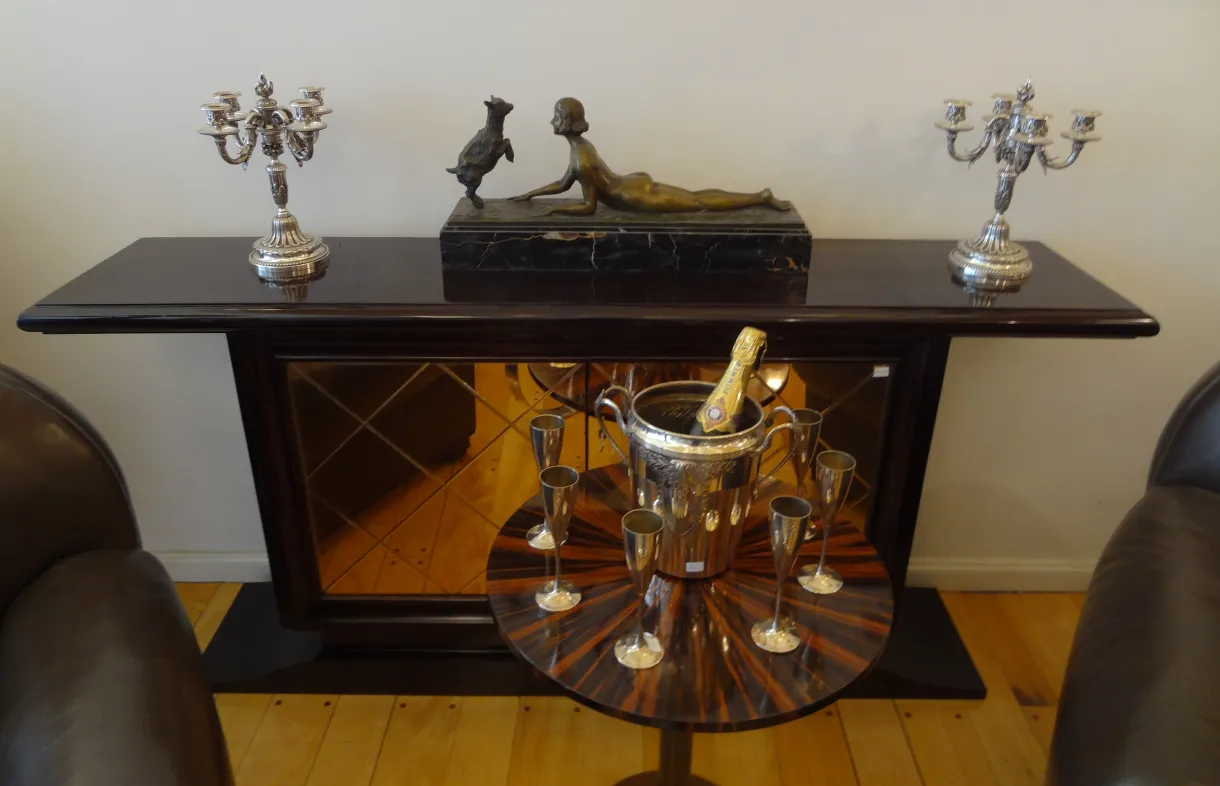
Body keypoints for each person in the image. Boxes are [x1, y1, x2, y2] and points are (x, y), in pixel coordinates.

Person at [510, 98, 792, 216]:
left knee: (697, 202)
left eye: (555, 117)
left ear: (565, 122)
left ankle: (760, 197)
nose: (551, 122)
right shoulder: (580, 147)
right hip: (629, 184)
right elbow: (562, 183)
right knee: (696, 196)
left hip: (634, 197)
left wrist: (554, 210)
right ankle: (759, 196)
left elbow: (589, 206)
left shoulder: (581, 158)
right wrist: (529, 195)